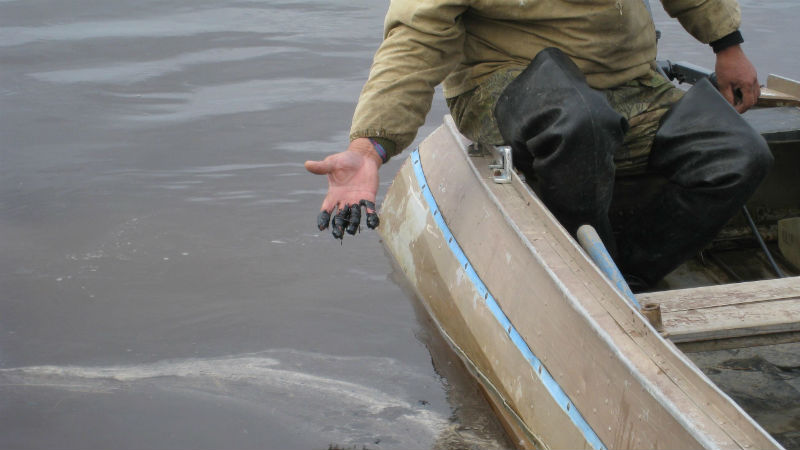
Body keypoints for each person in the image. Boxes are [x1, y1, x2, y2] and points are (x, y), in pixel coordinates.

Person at [305, 0, 773, 291]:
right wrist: (370, 146)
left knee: (739, 155)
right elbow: (415, 40)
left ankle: (628, 275)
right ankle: (588, 281)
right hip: (505, 79)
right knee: (580, 124)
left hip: (630, 82)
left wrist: (727, 45)